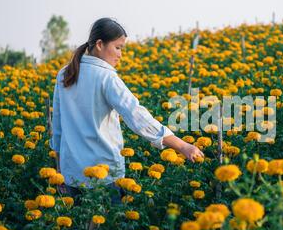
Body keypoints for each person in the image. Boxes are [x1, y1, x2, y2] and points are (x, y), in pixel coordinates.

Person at [49, 17, 204, 202]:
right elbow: (137, 116)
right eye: (118, 47)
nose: (120, 54)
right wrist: (182, 145)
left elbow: (57, 126)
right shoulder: (106, 77)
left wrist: (59, 168)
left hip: (71, 173)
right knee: (107, 229)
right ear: (99, 44)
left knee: (78, 229)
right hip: (104, 173)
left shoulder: (64, 74)